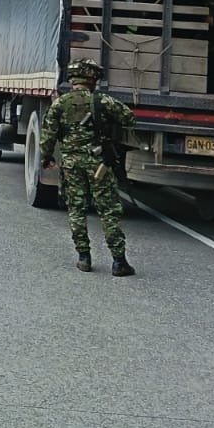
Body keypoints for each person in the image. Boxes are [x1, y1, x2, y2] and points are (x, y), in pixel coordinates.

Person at [40, 58, 136, 276]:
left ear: (73, 79)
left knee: (76, 210)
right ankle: (119, 262)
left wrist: (47, 157)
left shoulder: (60, 104)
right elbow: (129, 118)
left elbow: (48, 136)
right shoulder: (102, 101)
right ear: (92, 78)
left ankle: (84, 257)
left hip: (71, 165)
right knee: (109, 210)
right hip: (98, 164)